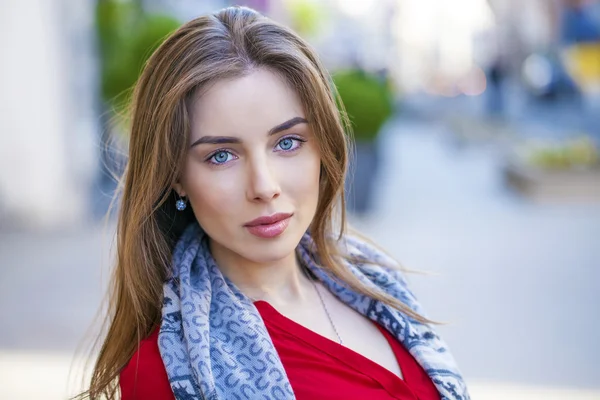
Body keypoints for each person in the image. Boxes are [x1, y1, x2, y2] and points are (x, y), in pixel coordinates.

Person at [83, 6, 469, 400]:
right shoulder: (165, 371)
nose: (264, 187)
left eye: (287, 143)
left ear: (323, 147)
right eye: (221, 155)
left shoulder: (373, 279)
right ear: (176, 177)